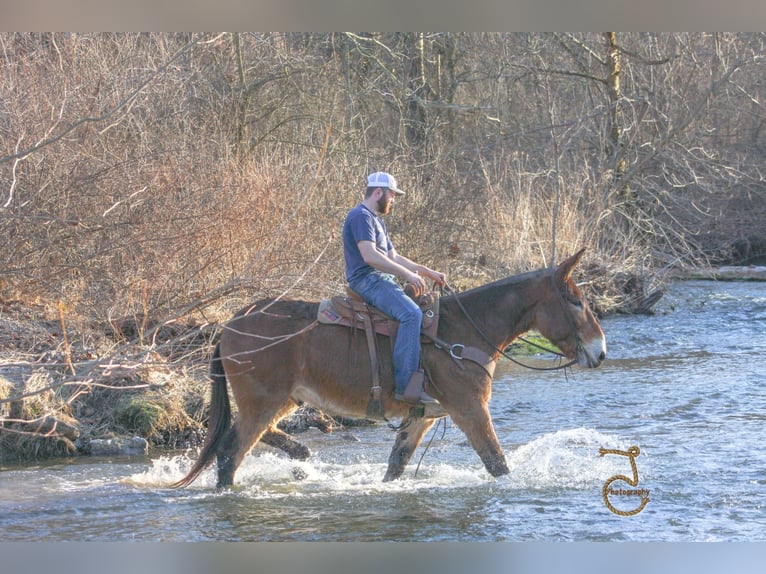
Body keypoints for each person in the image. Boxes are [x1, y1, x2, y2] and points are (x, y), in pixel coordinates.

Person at [342, 171, 446, 405]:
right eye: (391, 195)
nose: (393, 200)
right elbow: (369, 256)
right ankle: (406, 386)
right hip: (367, 280)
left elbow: (394, 258)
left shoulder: (377, 221)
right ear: (378, 192)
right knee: (411, 314)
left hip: (381, 279)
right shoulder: (360, 217)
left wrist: (427, 271)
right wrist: (407, 275)